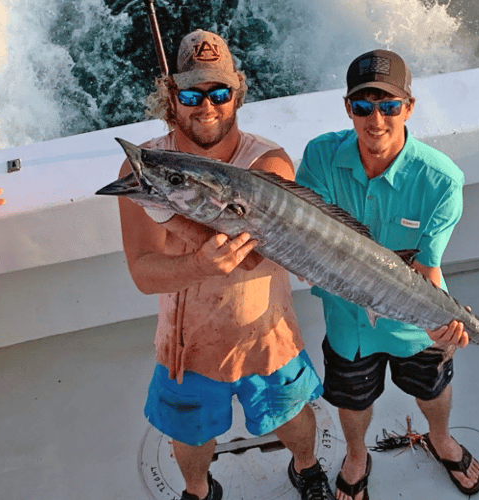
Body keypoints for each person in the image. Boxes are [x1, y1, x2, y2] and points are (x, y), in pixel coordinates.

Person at [117, 30, 334, 500]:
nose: (207, 106)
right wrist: (199, 262)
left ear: (237, 91)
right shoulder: (144, 172)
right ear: (171, 96)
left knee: (295, 422)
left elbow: (256, 256)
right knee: (190, 438)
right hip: (186, 348)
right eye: (192, 94)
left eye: (219, 93)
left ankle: (307, 467)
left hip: (268, 337)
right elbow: (143, 272)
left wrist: (170, 208)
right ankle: (199, 489)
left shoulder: (268, 162)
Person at [295, 49, 479, 499]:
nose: (375, 119)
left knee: (432, 388)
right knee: (351, 400)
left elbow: (427, 265)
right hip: (347, 319)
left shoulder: (441, 180)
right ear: (348, 108)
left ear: (408, 107)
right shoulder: (321, 158)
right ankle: (357, 454)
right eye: (363, 106)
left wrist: (442, 326)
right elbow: (305, 238)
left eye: (388, 106)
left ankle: (440, 438)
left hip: (413, 319)